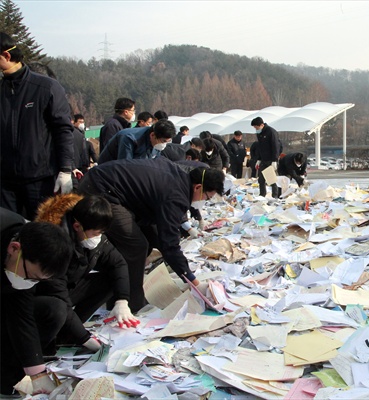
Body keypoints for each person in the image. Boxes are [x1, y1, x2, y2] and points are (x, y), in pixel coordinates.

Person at [78, 157, 225, 311]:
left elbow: (162, 234)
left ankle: (119, 287)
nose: (204, 202)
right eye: (206, 198)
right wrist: (193, 281)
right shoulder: (176, 194)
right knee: (136, 246)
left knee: (150, 238)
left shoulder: (182, 178)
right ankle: (130, 304)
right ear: (198, 187)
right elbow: (169, 245)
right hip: (102, 190)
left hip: (114, 188)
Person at [34, 194, 138, 347]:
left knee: (110, 280)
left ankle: (71, 331)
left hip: (69, 288)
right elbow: (59, 296)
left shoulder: (92, 235)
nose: (99, 238)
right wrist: (85, 339)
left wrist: (122, 300)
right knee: (58, 309)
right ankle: (52, 342)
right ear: (77, 226)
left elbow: (118, 263)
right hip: (45, 299)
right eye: (96, 233)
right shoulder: (55, 247)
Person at [0, 34, 74, 220]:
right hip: (5, 182)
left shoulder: (45, 87)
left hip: (40, 179)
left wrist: (65, 169)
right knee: (9, 235)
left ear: (7, 56)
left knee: (45, 233)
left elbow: (63, 130)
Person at [1, 208, 72, 396]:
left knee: (52, 309)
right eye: (32, 277)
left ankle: (6, 381)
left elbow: (22, 318)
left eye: (37, 280)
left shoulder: (27, 252)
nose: (30, 283)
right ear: (14, 248)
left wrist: (37, 374)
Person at [98, 119, 176, 164]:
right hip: (109, 172)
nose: (164, 144)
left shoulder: (155, 142)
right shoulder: (129, 138)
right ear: (152, 135)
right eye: (163, 141)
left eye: (167, 141)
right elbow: (125, 165)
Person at [251, 117, 281, 198]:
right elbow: (260, 147)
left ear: (261, 125)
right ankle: (262, 195)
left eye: (256, 127)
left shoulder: (271, 132)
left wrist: (275, 159)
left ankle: (275, 196)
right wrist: (259, 159)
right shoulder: (259, 133)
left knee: (271, 179)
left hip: (271, 159)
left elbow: (276, 146)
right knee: (261, 179)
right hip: (263, 159)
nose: (256, 129)